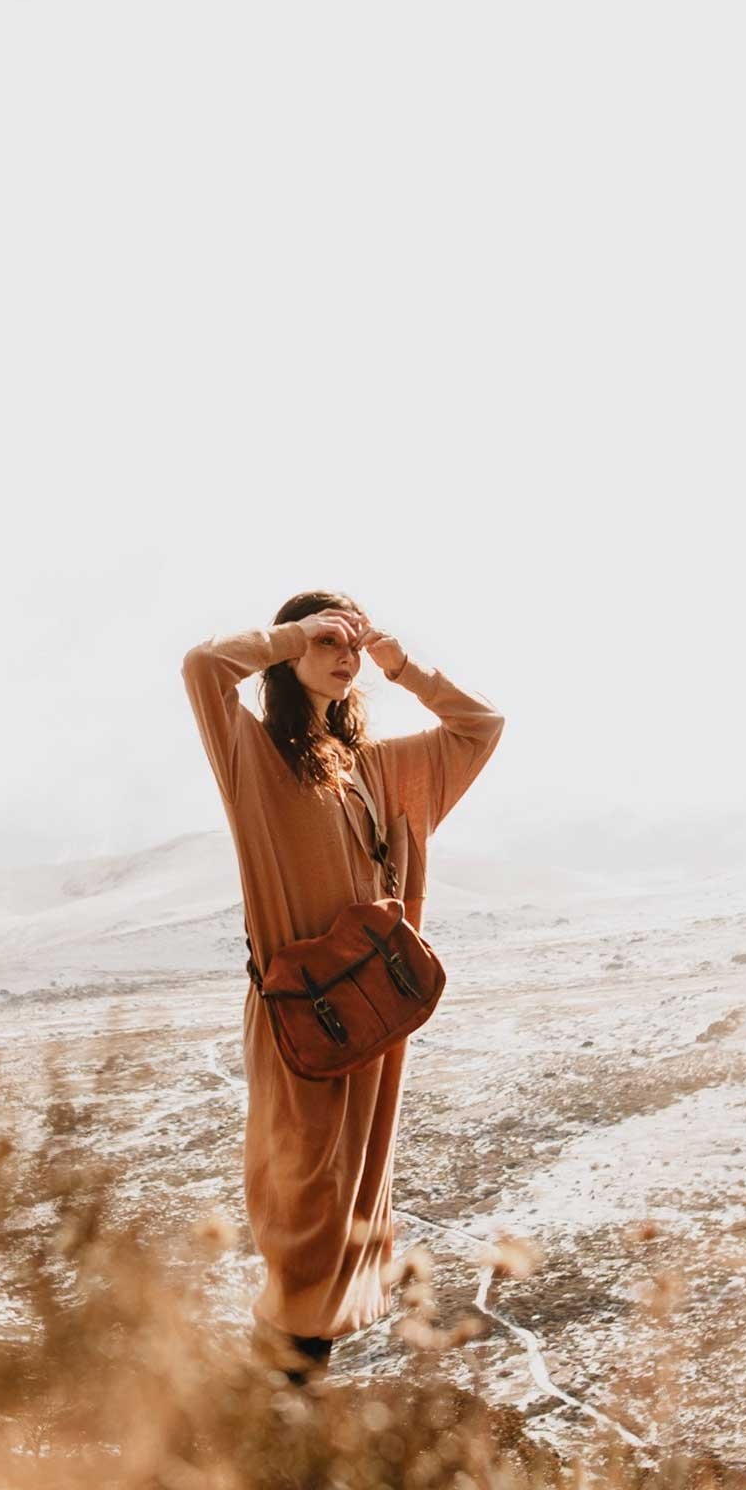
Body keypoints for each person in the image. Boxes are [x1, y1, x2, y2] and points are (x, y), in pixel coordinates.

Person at [181, 593, 505, 1385]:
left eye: (351, 642)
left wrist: (402, 665)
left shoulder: (378, 766)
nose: (344, 652)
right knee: (305, 1204)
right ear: (289, 655)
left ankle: (289, 1396)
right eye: (327, 639)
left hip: (374, 1014)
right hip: (301, 1015)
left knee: (354, 1206)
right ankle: (277, 1395)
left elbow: (481, 727)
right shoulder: (254, 757)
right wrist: (295, 633)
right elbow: (202, 668)